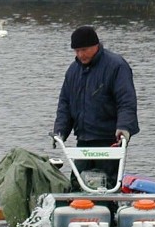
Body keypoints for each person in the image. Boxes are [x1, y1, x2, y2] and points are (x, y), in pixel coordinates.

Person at [53, 25, 139, 187]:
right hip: (83, 139)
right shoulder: (73, 71)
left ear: (96, 46)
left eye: (84, 50)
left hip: (109, 140)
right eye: (76, 51)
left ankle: (109, 210)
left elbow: (126, 102)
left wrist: (124, 128)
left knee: (106, 183)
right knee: (78, 183)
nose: (80, 55)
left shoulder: (116, 66)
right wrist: (60, 131)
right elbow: (65, 103)